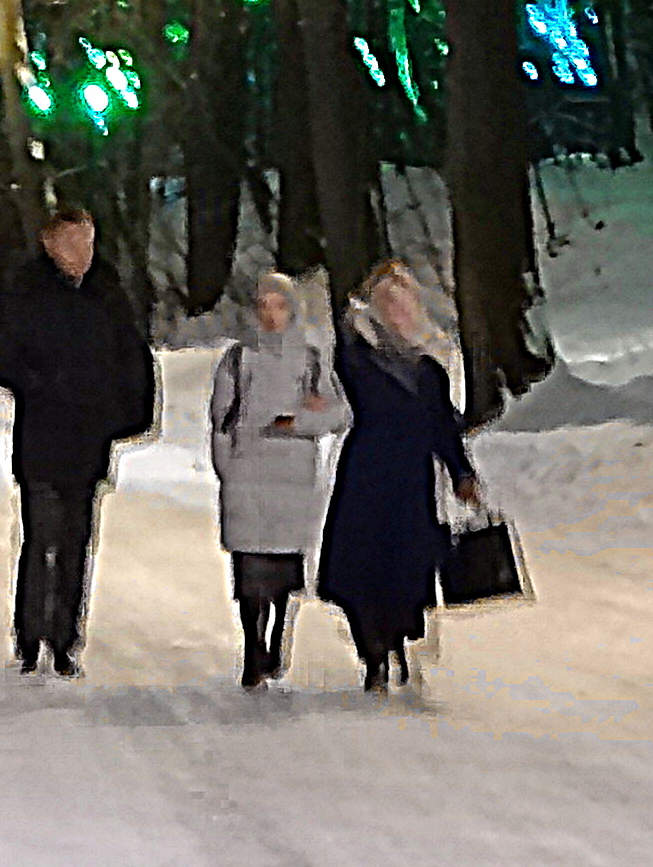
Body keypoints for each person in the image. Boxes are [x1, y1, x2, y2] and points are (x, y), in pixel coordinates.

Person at [0, 201, 155, 677]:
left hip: (88, 438)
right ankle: (30, 635)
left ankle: (66, 638)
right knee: (41, 539)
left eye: (87, 242)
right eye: (70, 242)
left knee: (77, 540)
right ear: (49, 243)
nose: (80, 252)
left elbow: (135, 359)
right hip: (42, 434)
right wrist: (41, 383)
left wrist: (129, 415)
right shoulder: (29, 292)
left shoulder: (109, 293)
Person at [318, 258, 484, 694]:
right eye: (387, 302)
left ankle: (395, 644)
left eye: (403, 302)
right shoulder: (356, 357)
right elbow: (335, 390)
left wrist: (462, 474)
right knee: (362, 569)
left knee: (406, 570)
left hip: (412, 482)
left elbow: (442, 425)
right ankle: (372, 652)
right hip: (366, 475)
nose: (396, 312)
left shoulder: (429, 369)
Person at [203, 268, 345, 688]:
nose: (271, 315)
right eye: (263, 306)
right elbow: (220, 419)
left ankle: (278, 637)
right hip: (249, 473)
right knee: (249, 572)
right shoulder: (237, 358)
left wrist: (298, 421)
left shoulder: (311, 359)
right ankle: (252, 647)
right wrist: (226, 467)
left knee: (283, 573)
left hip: (292, 477)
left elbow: (340, 414)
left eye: (280, 306)